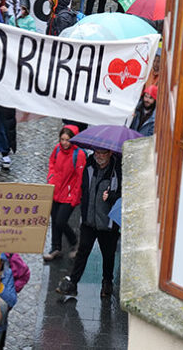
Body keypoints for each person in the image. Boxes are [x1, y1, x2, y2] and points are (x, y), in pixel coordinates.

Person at [56, 147, 121, 298]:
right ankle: (73, 283)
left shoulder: (117, 170)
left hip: (108, 223)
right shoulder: (89, 165)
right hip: (89, 220)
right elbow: (84, 188)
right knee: (82, 253)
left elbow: (124, 193)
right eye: (97, 152)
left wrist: (112, 196)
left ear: (110, 153)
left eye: (102, 153)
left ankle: (107, 282)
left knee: (108, 255)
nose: (99, 156)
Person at [45, 125, 86, 261]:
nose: (64, 143)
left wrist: (75, 196)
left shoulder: (79, 154)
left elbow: (80, 178)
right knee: (55, 220)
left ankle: (74, 240)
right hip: (56, 191)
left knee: (60, 221)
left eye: (67, 140)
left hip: (69, 195)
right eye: (62, 139)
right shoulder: (57, 149)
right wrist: (51, 178)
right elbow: (52, 163)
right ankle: (55, 247)